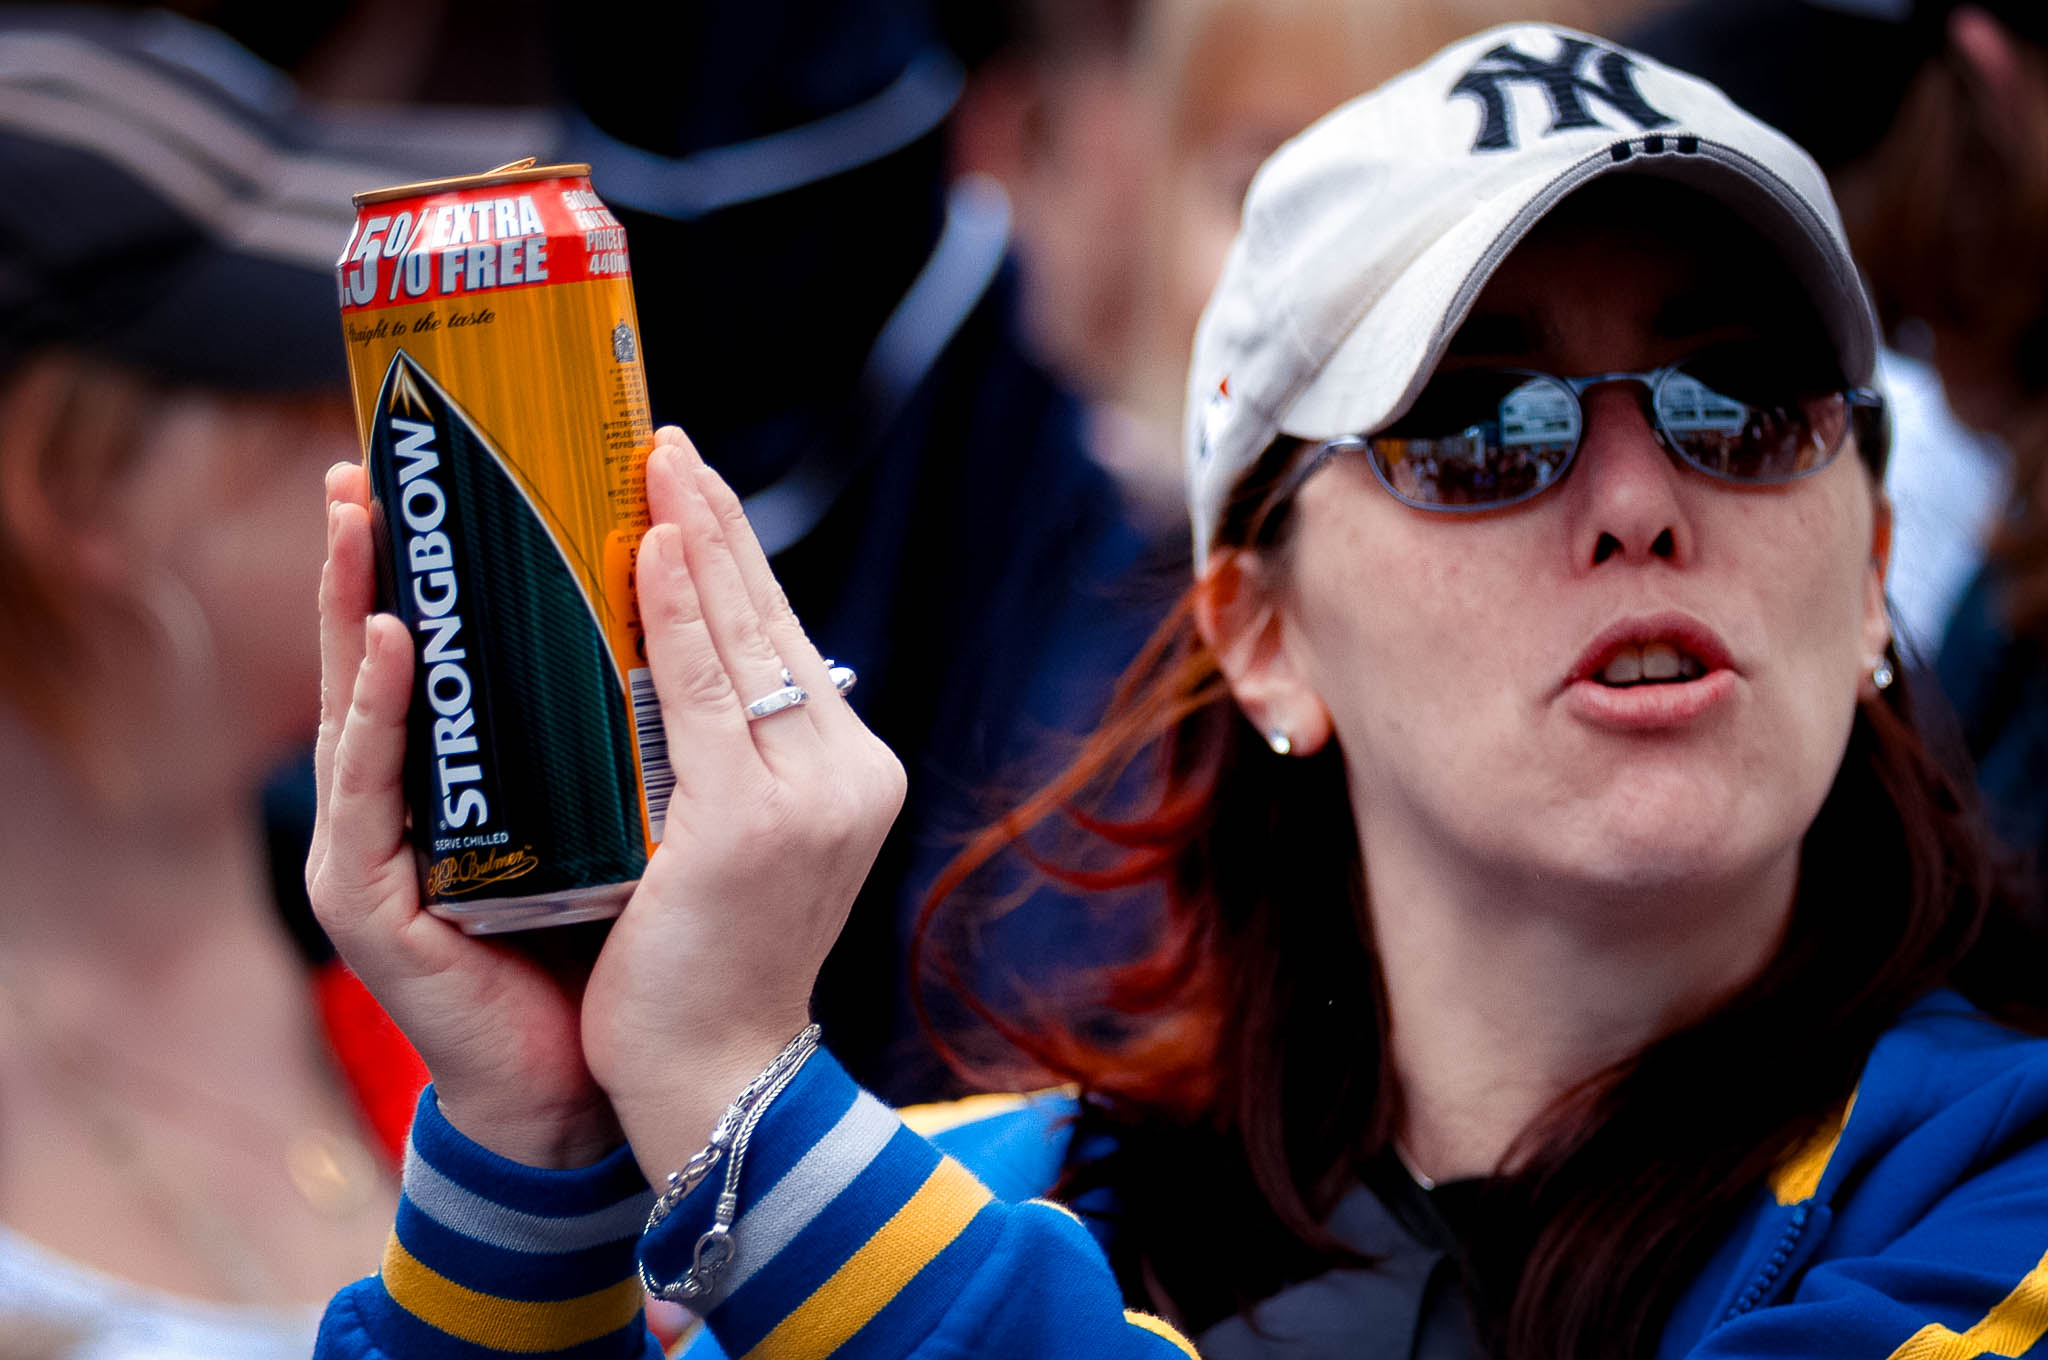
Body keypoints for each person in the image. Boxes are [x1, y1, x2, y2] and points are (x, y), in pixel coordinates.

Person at [310, 23, 2048, 1360]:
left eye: (1741, 403)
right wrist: (530, 1157)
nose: (1640, 498)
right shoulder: (983, 1200)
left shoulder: (2009, 1186)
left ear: (1878, 553)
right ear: (1260, 628)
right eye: (1480, 426)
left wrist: (752, 1131)